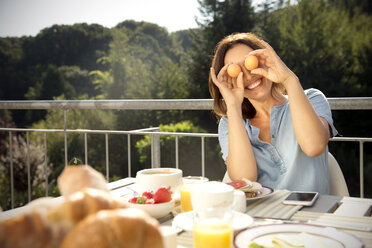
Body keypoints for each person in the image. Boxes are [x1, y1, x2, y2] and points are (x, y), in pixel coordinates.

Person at [209, 33, 337, 194]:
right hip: (261, 217)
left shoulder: (312, 99)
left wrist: (289, 79)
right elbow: (245, 179)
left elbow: (314, 146)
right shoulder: (230, 123)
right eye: (237, 72)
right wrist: (233, 106)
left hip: (310, 216)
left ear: (266, 60)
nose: (248, 75)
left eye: (250, 64)